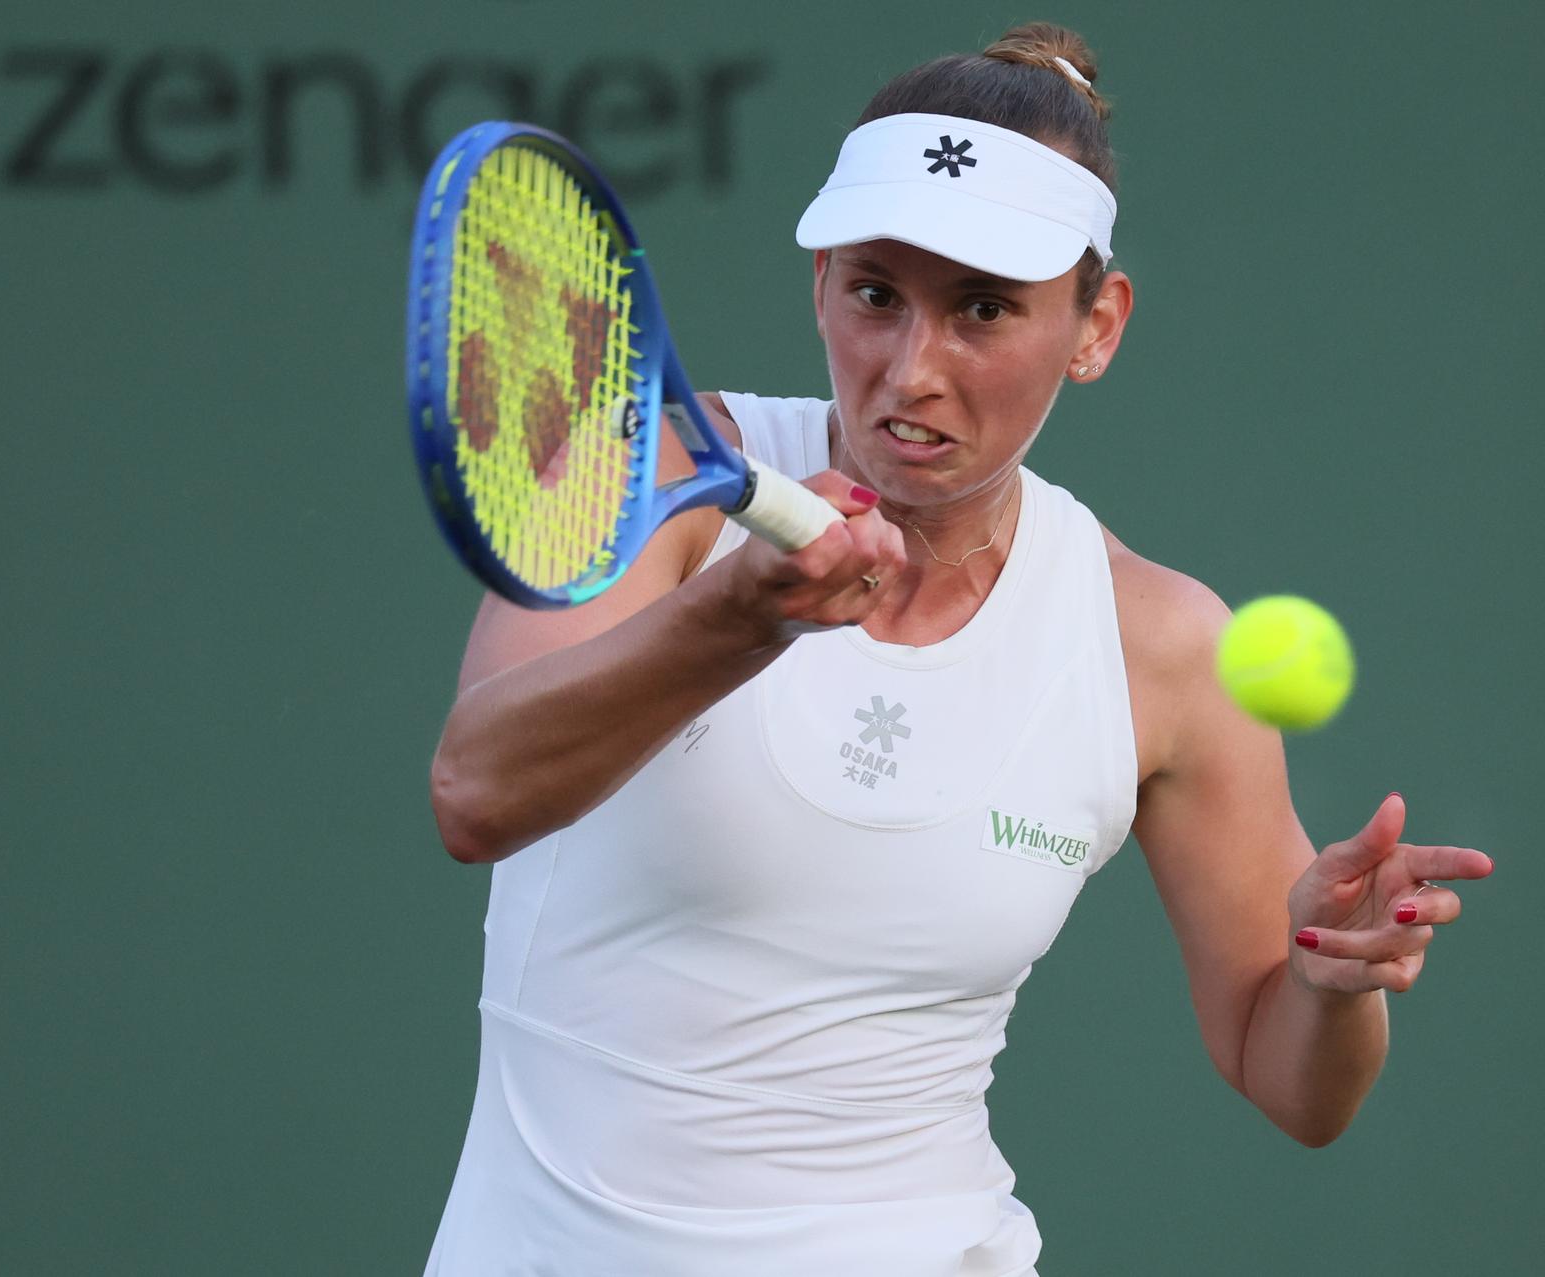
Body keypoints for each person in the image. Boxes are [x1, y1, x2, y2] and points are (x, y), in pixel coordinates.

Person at [420, 22, 1494, 1277]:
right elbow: (476, 791)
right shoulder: (654, 470)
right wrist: (738, 620)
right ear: (820, 283)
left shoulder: (1160, 644)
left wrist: (1328, 978)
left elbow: (1298, 1087)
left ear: (1096, 327)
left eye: (984, 308)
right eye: (877, 294)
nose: (912, 369)